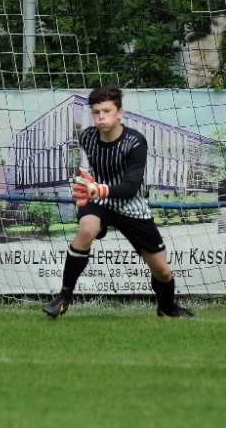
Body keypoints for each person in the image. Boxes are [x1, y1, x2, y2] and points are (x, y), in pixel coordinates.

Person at [42, 86, 196, 320]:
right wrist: (89, 182)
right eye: (95, 112)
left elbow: (131, 187)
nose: (101, 117)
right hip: (98, 202)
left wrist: (100, 188)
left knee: (162, 271)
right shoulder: (87, 137)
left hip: (131, 207)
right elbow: (93, 167)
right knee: (86, 229)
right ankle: (63, 297)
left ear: (120, 112)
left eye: (106, 111)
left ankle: (167, 308)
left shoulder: (135, 142)